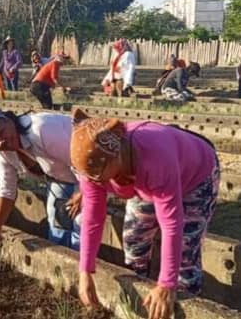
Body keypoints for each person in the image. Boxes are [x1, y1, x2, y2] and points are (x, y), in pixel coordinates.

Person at [69, 109, 220, 319]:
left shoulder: (155, 157)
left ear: (116, 159)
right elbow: (93, 218)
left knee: (186, 253)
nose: (94, 183)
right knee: (134, 240)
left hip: (195, 176)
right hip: (143, 183)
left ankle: (184, 305)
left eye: (98, 178)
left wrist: (167, 284)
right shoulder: (93, 167)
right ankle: (142, 297)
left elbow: (172, 225)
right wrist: (85, 271)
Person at [0, 105, 81, 249]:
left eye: (1, 132)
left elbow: (83, 162)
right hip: (63, 179)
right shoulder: (4, 155)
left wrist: (83, 194)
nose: (1, 141)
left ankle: (84, 266)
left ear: (9, 120)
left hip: (97, 172)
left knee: (81, 224)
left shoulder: (42, 130)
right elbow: (7, 191)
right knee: (57, 224)